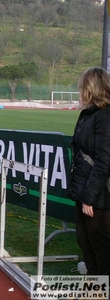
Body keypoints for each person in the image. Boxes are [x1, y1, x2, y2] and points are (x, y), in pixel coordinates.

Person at [68, 67, 110, 276]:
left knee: (100, 246)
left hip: (99, 197)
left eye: (82, 87)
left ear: (91, 88)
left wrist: (90, 198)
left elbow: (105, 161)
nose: (79, 91)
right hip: (84, 191)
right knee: (86, 243)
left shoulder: (104, 116)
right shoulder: (88, 114)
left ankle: (101, 290)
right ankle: (95, 288)